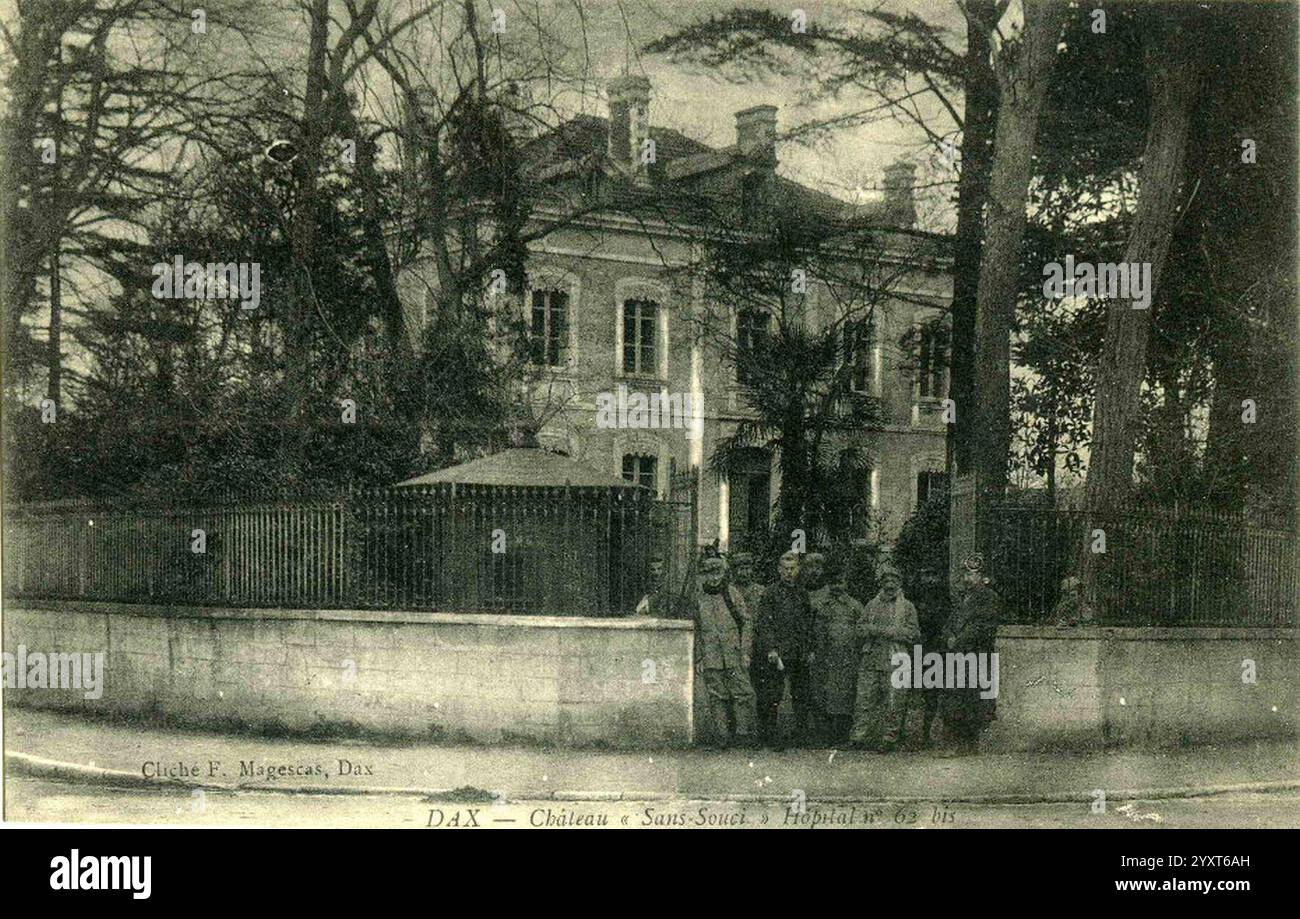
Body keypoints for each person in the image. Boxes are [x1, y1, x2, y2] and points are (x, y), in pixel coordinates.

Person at [851, 561, 920, 752]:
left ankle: (889, 737)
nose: (889, 583)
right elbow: (859, 628)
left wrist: (892, 632)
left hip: (896, 657)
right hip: (872, 656)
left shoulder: (907, 607)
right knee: (864, 698)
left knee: (894, 700)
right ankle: (860, 736)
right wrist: (872, 630)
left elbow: (914, 634)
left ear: (900, 582)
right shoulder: (871, 605)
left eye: (894, 579)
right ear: (880, 582)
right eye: (885, 579)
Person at [752, 550, 815, 750]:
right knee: (772, 695)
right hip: (778, 653)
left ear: (798, 570)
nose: (789, 573)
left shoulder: (802, 593)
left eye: (792, 569)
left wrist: (810, 649)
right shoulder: (770, 593)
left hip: (799, 652)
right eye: (785, 569)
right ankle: (770, 736)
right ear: (779, 570)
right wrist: (770, 648)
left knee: (801, 695)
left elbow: (808, 623)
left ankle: (800, 735)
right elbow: (763, 623)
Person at [939, 554, 1003, 752]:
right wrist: (948, 636)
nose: (967, 579)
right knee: (954, 698)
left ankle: (969, 743)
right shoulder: (960, 599)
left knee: (973, 699)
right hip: (957, 656)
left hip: (976, 655)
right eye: (965, 574)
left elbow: (981, 627)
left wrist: (957, 640)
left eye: (972, 575)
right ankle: (957, 743)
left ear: (982, 576)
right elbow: (950, 624)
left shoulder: (989, 598)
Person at [693, 556, 757, 748]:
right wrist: (699, 657)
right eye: (709, 574)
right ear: (703, 576)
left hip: (733, 653)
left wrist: (745, 651)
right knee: (716, 695)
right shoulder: (699, 598)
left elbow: (746, 622)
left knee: (742, 693)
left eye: (717, 573)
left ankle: (743, 735)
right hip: (711, 655)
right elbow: (696, 630)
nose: (713, 578)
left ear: (723, 574)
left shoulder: (732, 594)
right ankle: (721, 737)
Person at [809, 553, 865, 745]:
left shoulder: (855, 607)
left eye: (840, 583)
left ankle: (843, 734)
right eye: (833, 583)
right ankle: (826, 735)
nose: (836, 587)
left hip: (848, 657)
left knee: (846, 694)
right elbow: (815, 631)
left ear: (846, 584)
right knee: (825, 693)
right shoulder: (821, 606)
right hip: (826, 657)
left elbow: (862, 631)